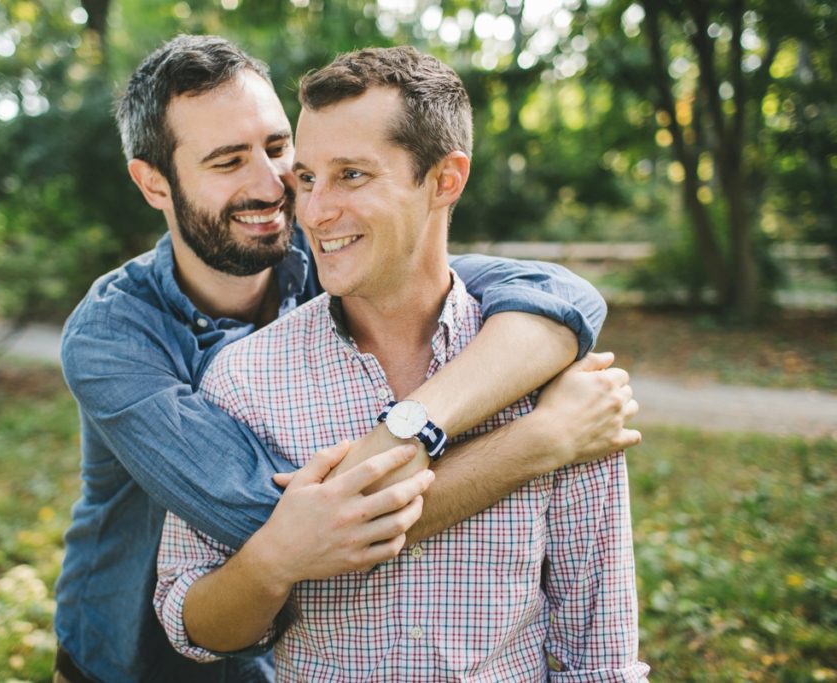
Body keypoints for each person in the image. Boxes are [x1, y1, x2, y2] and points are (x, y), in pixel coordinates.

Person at [57, 35, 639, 683]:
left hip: (264, 666)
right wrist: (540, 441)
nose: (275, 186)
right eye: (227, 162)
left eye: (279, 150)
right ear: (153, 183)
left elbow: (560, 296)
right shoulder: (110, 337)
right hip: (132, 661)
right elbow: (293, 524)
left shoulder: (329, 261)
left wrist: (416, 420)